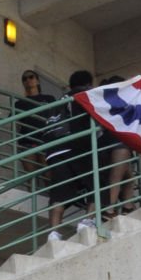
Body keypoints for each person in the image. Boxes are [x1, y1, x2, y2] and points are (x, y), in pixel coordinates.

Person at [45, 70, 99, 237]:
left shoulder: (57, 102)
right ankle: (87, 221)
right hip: (75, 147)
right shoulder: (84, 95)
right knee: (98, 183)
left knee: (59, 194)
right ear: (89, 84)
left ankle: (53, 233)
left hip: (53, 151)